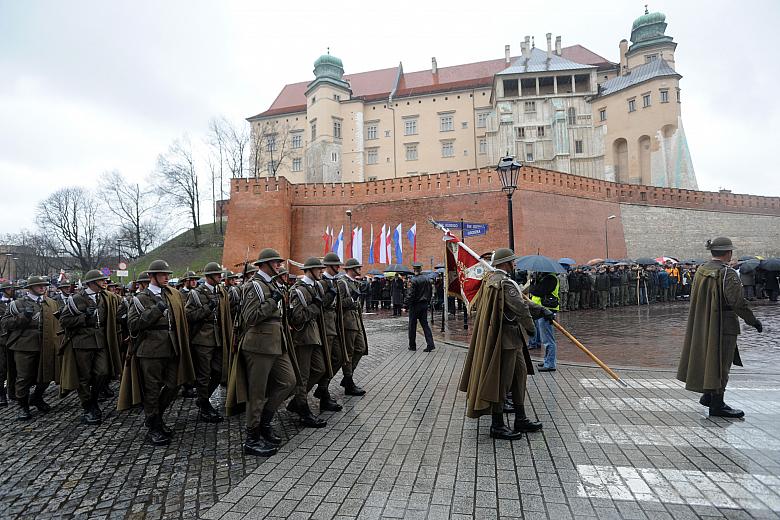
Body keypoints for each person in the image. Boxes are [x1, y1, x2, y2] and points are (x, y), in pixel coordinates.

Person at [460, 248, 548, 440]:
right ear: (506, 263)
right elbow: (520, 307)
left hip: (511, 338)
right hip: (505, 339)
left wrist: (541, 310)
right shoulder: (503, 283)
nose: (515, 264)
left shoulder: (496, 281)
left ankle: (521, 418)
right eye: (513, 262)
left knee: (519, 377)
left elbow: (521, 301)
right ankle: (497, 424)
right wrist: (532, 328)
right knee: (503, 381)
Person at [677, 237, 762, 418]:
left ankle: (708, 395)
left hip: (705, 321)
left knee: (709, 358)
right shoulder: (727, 273)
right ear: (728, 253)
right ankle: (717, 404)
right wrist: (752, 320)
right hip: (723, 324)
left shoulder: (702, 269)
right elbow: (737, 302)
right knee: (722, 363)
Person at [226, 248, 297, 457]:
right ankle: (252, 438)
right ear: (264, 264)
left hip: (276, 342)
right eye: (275, 262)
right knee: (256, 393)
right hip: (258, 344)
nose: (278, 265)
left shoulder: (271, 284)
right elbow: (251, 317)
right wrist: (272, 300)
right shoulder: (254, 286)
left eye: (278, 261)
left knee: (288, 381)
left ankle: (265, 422)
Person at [124, 260, 194, 445]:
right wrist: (156, 310)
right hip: (150, 350)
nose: (166, 277)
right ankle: (154, 425)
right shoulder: (140, 298)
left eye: (167, 274)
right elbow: (133, 325)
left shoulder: (171, 294)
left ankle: (155, 417)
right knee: (152, 389)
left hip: (171, 346)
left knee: (174, 384)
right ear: (151, 276)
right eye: (162, 274)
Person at [58, 269, 122, 425]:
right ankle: (88, 406)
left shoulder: (104, 297)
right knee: (84, 377)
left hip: (100, 341)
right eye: (101, 280)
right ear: (92, 283)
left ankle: (93, 399)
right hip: (82, 342)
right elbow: (64, 320)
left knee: (103, 372)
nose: (104, 282)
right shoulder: (76, 299)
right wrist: (83, 317)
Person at [1, 276, 59, 420]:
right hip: (24, 346)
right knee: (24, 377)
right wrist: (23, 317)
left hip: (46, 344)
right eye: (39, 285)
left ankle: (37, 397)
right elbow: (6, 323)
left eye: (44, 285)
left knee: (47, 375)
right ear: (30, 287)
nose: (42, 287)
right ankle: (23, 406)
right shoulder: (17, 304)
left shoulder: (50, 303)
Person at [184, 262, 233, 423]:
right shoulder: (196, 294)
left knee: (219, 372)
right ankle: (204, 405)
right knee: (204, 375)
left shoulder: (221, 292)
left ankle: (203, 398)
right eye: (217, 274)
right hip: (202, 339)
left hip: (219, 338)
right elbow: (189, 316)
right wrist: (207, 308)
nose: (220, 276)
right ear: (209, 276)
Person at [286, 257, 330, 428]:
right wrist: (314, 307)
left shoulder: (314, 287)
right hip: (303, 338)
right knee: (302, 376)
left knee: (320, 369)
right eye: (318, 269)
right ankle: (303, 411)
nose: (321, 271)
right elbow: (296, 317)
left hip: (314, 336)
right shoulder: (299, 290)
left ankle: (297, 402)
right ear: (310, 270)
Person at [312, 252, 347, 412]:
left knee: (339, 357)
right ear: (329, 266)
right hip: (325, 325)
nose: (339, 267)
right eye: (336, 265)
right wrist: (330, 294)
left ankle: (323, 388)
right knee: (327, 361)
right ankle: (324, 395)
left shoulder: (334, 281)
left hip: (335, 324)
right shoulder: (321, 283)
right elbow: (321, 305)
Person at [529, 272, 559, 372]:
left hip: (547, 311)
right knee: (544, 338)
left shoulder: (550, 278)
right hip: (541, 311)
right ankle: (547, 360)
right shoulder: (544, 277)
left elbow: (539, 291)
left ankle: (550, 363)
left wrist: (533, 285)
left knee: (548, 339)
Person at [405, 263, 435, 352]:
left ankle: (412, 345)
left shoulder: (413, 280)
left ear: (414, 270)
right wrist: (428, 302)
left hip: (415, 305)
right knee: (425, 325)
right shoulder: (427, 279)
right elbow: (430, 292)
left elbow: (410, 294)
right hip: (424, 304)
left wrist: (406, 305)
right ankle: (430, 344)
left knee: (412, 326)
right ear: (421, 269)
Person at [0, 281, 17, 405]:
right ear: (5, 290)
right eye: (10, 289)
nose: (13, 291)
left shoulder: (17, 302)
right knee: (1, 368)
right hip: (1, 341)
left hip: (16, 340)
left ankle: (12, 392)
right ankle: (1, 395)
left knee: (14, 368)